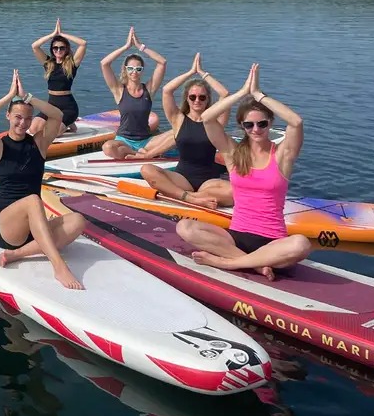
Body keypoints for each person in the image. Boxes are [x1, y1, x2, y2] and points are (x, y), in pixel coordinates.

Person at [176, 64, 310, 280]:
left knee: (301, 244)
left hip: (273, 242)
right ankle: (255, 265)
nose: (256, 129)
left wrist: (259, 95)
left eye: (262, 124)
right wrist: (241, 93)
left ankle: (229, 263)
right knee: (185, 227)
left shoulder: (282, 156)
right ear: (242, 126)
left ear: (270, 124)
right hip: (235, 237)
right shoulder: (233, 154)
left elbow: (296, 122)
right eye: (249, 125)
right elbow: (208, 118)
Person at [0, 69, 86, 289]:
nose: (22, 123)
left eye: (27, 118)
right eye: (17, 117)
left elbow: (58, 116)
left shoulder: (39, 143)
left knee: (78, 221)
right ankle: (59, 266)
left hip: (33, 228)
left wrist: (29, 98)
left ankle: (17, 254)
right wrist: (9, 97)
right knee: (33, 200)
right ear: (8, 116)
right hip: (5, 227)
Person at [136, 52, 232, 209]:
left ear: (208, 100)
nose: (197, 100)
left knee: (235, 192)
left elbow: (225, 94)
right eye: (192, 97)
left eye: (202, 97)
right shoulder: (178, 119)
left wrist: (203, 73)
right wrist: (190, 72)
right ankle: (191, 198)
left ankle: (185, 196)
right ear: (187, 98)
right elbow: (167, 90)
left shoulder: (215, 122)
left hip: (208, 182)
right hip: (181, 178)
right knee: (146, 169)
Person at [99, 27, 169, 159]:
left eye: (138, 68)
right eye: (130, 68)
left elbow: (162, 62)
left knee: (176, 133)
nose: (134, 72)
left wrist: (139, 46)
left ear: (142, 70)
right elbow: (104, 64)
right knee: (108, 147)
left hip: (146, 140)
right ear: (125, 70)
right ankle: (139, 154)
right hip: (124, 140)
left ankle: (142, 153)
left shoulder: (149, 89)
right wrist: (126, 47)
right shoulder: (119, 90)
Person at [30, 18, 88, 136]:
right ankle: (68, 124)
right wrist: (53, 34)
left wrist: (62, 34)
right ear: (52, 50)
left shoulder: (72, 64)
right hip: (51, 105)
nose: (58, 50)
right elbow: (35, 46)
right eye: (55, 48)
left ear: (66, 49)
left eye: (62, 47)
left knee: (52, 133)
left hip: (68, 107)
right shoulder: (48, 63)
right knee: (33, 129)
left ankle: (69, 121)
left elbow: (83, 43)